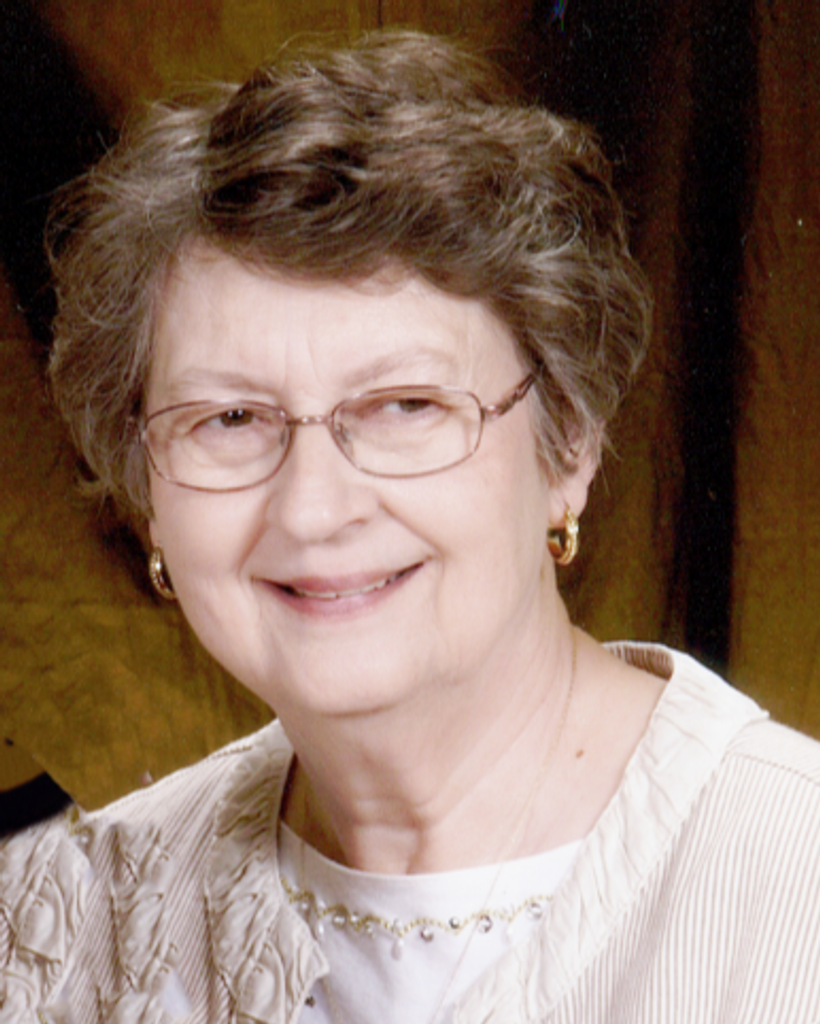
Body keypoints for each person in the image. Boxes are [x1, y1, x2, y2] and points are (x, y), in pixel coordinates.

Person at [2, 30, 819, 1024]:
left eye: (406, 407)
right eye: (231, 419)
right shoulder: (58, 929)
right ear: (147, 492)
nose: (313, 508)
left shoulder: (795, 885)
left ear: (568, 444)